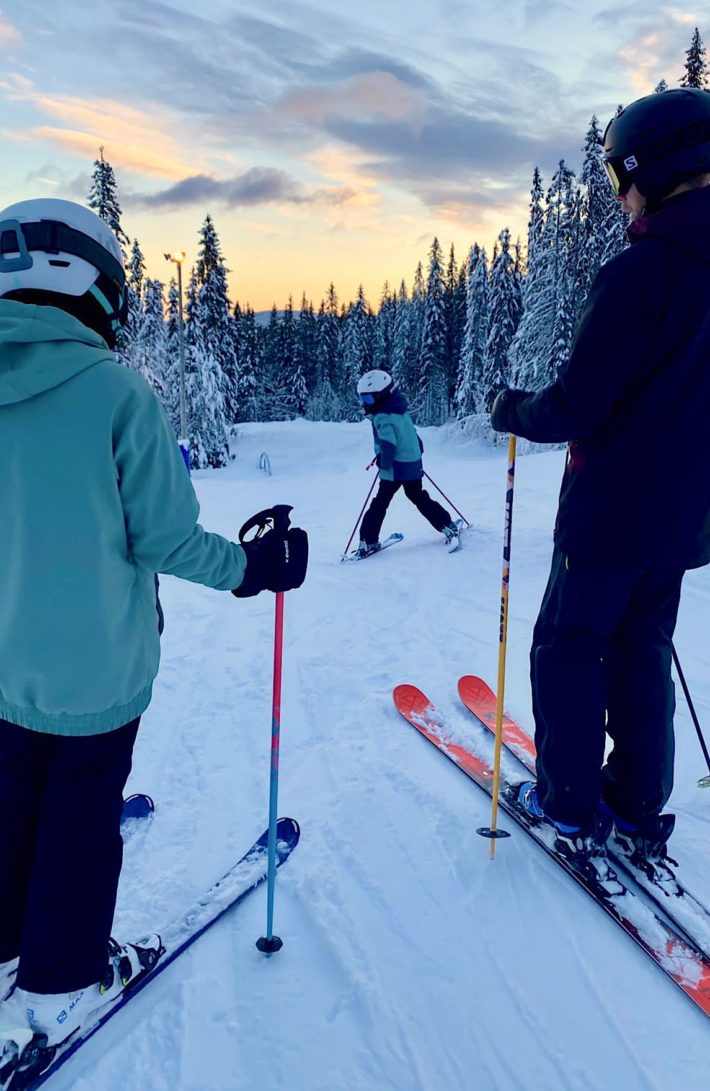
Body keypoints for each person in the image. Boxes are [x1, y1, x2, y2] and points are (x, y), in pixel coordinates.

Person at [0, 199, 308, 1051]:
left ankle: (6, 947)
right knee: (79, 815)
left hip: (6, 666)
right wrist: (254, 567)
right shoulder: (114, 391)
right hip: (97, 671)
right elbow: (166, 537)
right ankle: (62, 980)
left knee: (11, 800)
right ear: (88, 284)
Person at [490, 87, 710, 866]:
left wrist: (512, 409)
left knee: (569, 646)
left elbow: (579, 403)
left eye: (621, 178)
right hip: (683, 519)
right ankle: (637, 799)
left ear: (656, 171)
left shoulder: (642, 272)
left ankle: (569, 802)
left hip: (611, 514)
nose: (619, 196)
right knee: (643, 646)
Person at [355, 370, 459, 557]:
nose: (366, 403)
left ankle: (367, 541)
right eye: (363, 399)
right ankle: (446, 524)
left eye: (368, 399)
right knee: (418, 496)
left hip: (395, 468)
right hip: (412, 463)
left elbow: (388, 444)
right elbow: (412, 435)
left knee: (379, 503)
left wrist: (383, 462)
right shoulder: (400, 408)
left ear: (381, 395)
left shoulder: (382, 416)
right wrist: (415, 455)